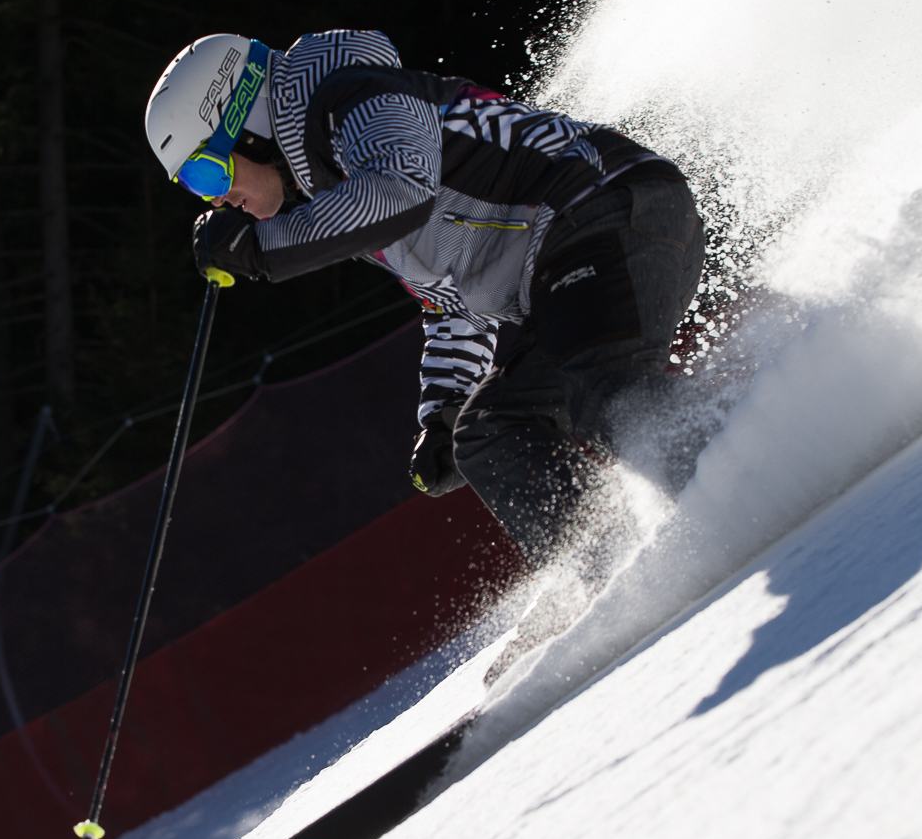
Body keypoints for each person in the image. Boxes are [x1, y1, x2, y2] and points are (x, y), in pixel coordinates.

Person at [144, 31, 708, 607]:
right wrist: (444, 408)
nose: (216, 200)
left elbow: (396, 195)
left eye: (208, 174)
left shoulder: (353, 98)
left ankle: (744, 459)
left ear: (251, 123)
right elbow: (450, 298)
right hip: (580, 250)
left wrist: (263, 248)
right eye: (193, 187)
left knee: (602, 385)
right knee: (489, 432)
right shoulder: (334, 179)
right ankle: (609, 580)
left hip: (609, 207)